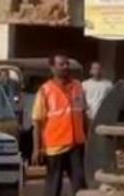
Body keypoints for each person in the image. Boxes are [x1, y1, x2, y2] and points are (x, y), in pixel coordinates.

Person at [33, 54, 87, 195]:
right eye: (61, 64)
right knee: (53, 185)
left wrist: (88, 138)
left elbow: (83, 114)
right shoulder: (45, 90)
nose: (66, 67)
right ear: (52, 68)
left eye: (67, 64)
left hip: (76, 144)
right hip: (55, 146)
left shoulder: (78, 86)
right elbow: (37, 121)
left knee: (80, 184)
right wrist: (36, 149)